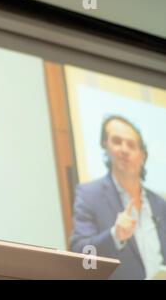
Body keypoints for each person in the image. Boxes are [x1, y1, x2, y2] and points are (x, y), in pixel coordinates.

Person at [70, 115, 166, 279]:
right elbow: (81, 256)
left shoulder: (160, 204)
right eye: (116, 141)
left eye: (131, 144)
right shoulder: (89, 195)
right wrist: (115, 235)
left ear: (142, 155)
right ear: (106, 147)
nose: (124, 149)